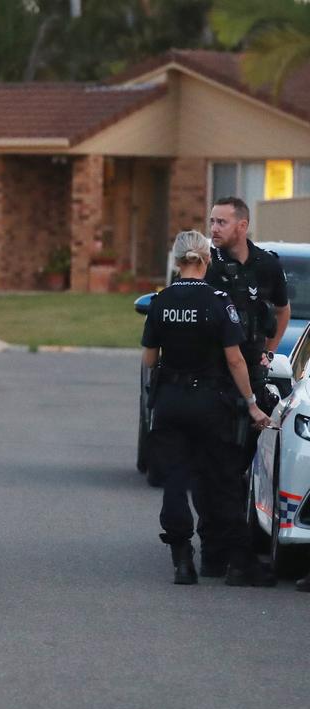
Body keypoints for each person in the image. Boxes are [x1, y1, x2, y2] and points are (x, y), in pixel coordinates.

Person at [142, 230, 273, 586]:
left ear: (177, 260)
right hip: (210, 402)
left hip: (170, 401)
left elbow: (150, 358)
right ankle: (238, 562)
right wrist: (251, 404)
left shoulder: (161, 301)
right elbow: (235, 361)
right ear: (205, 258)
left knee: (175, 479)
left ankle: (182, 559)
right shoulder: (219, 301)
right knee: (223, 478)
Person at [199, 196, 289, 578]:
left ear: (241, 225)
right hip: (213, 376)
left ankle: (242, 547)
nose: (214, 228)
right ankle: (214, 550)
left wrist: (268, 353)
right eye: (212, 221)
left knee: (244, 468)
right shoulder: (205, 264)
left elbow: (282, 311)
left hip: (250, 374)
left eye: (221, 222)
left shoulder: (267, 265)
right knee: (212, 467)